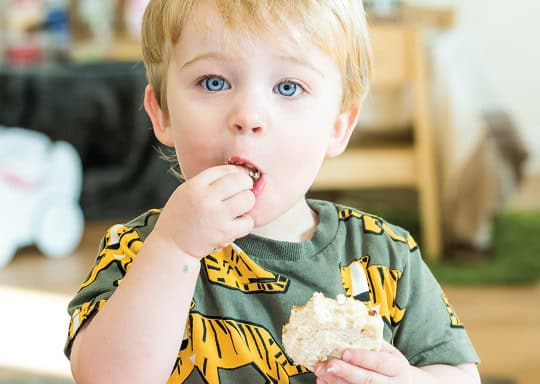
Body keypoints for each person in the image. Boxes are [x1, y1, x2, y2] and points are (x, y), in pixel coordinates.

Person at [65, 1, 481, 383]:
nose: (248, 116)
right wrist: (174, 249)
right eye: (213, 82)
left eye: (288, 87)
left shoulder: (386, 256)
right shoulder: (138, 251)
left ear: (338, 126)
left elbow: (462, 375)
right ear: (163, 113)